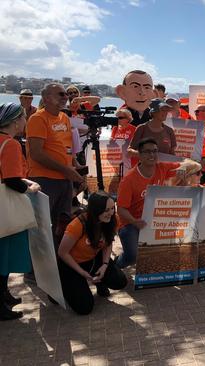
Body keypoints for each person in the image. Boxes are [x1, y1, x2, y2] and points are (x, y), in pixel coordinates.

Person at [116, 138, 201, 268]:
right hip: (131, 223)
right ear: (139, 155)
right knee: (132, 257)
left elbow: (196, 165)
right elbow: (121, 210)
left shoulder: (162, 167)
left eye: (155, 151)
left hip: (156, 220)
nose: (152, 155)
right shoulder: (128, 180)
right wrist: (134, 221)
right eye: (147, 152)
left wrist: (184, 169)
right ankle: (114, 265)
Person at [26, 84, 85, 246]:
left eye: (66, 94)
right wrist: (66, 169)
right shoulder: (38, 118)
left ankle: (57, 264)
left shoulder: (64, 117)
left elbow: (65, 147)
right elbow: (36, 153)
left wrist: (74, 163)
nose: (65, 97)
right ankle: (35, 270)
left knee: (62, 224)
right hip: (43, 180)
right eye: (60, 94)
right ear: (46, 98)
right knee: (42, 227)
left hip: (64, 179)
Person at [0, 103, 41, 321]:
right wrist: (30, 187)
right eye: (24, 117)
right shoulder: (11, 144)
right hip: (7, 209)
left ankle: (4, 294)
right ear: (16, 121)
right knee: (4, 256)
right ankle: (1, 302)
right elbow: (11, 180)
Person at [57, 192, 127, 315]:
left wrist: (105, 265)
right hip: (72, 264)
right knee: (84, 308)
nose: (111, 213)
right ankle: (61, 287)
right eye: (106, 210)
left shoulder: (113, 219)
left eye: (112, 208)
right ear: (95, 210)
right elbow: (62, 253)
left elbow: (108, 243)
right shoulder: (77, 225)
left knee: (120, 281)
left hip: (94, 258)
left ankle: (99, 282)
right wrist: (82, 273)